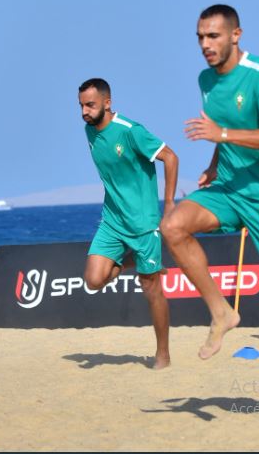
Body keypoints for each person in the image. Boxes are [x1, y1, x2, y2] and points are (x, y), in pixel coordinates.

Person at [160, 5, 259, 413]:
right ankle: (221, 312)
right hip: (229, 188)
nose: (205, 45)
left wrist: (223, 134)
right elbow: (220, 129)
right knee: (173, 226)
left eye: (213, 36)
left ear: (236, 35)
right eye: (200, 37)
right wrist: (214, 165)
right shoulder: (205, 80)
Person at [77, 78, 177, 369]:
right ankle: (132, 262)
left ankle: (163, 353)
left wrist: (169, 205)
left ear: (107, 103)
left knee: (151, 290)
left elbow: (171, 158)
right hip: (112, 221)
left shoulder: (132, 131)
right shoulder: (89, 131)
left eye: (90, 105)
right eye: (81, 105)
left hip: (144, 225)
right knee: (94, 281)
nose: (84, 111)